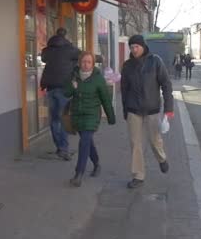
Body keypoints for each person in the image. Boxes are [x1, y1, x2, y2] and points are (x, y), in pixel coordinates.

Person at [121, 35, 174, 189]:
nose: (134, 49)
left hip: (152, 110)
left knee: (154, 140)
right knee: (135, 144)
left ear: (143, 46)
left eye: (136, 46)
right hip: (133, 110)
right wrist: (125, 110)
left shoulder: (155, 61)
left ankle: (162, 159)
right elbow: (124, 90)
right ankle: (138, 175)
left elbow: (166, 84)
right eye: (131, 47)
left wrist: (168, 109)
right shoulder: (127, 66)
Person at [64, 51, 116, 187]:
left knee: (84, 142)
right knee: (87, 142)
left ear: (93, 64)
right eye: (83, 62)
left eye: (88, 62)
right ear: (79, 63)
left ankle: (78, 174)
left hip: (92, 115)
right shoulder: (74, 76)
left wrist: (111, 117)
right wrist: (72, 85)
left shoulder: (98, 79)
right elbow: (66, 93)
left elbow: (105, 99)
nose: (85, 65)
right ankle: (97, 163)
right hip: (77, 114)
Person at [40, 28, 81, 161]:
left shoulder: (48, 50)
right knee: (63, 118)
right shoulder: (70, 50)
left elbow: (44, 58)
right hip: (64, 88)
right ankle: (63, 149)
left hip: (50, 87)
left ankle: (59, 146)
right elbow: (81, 56)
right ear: (65, 36)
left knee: (54, 120)